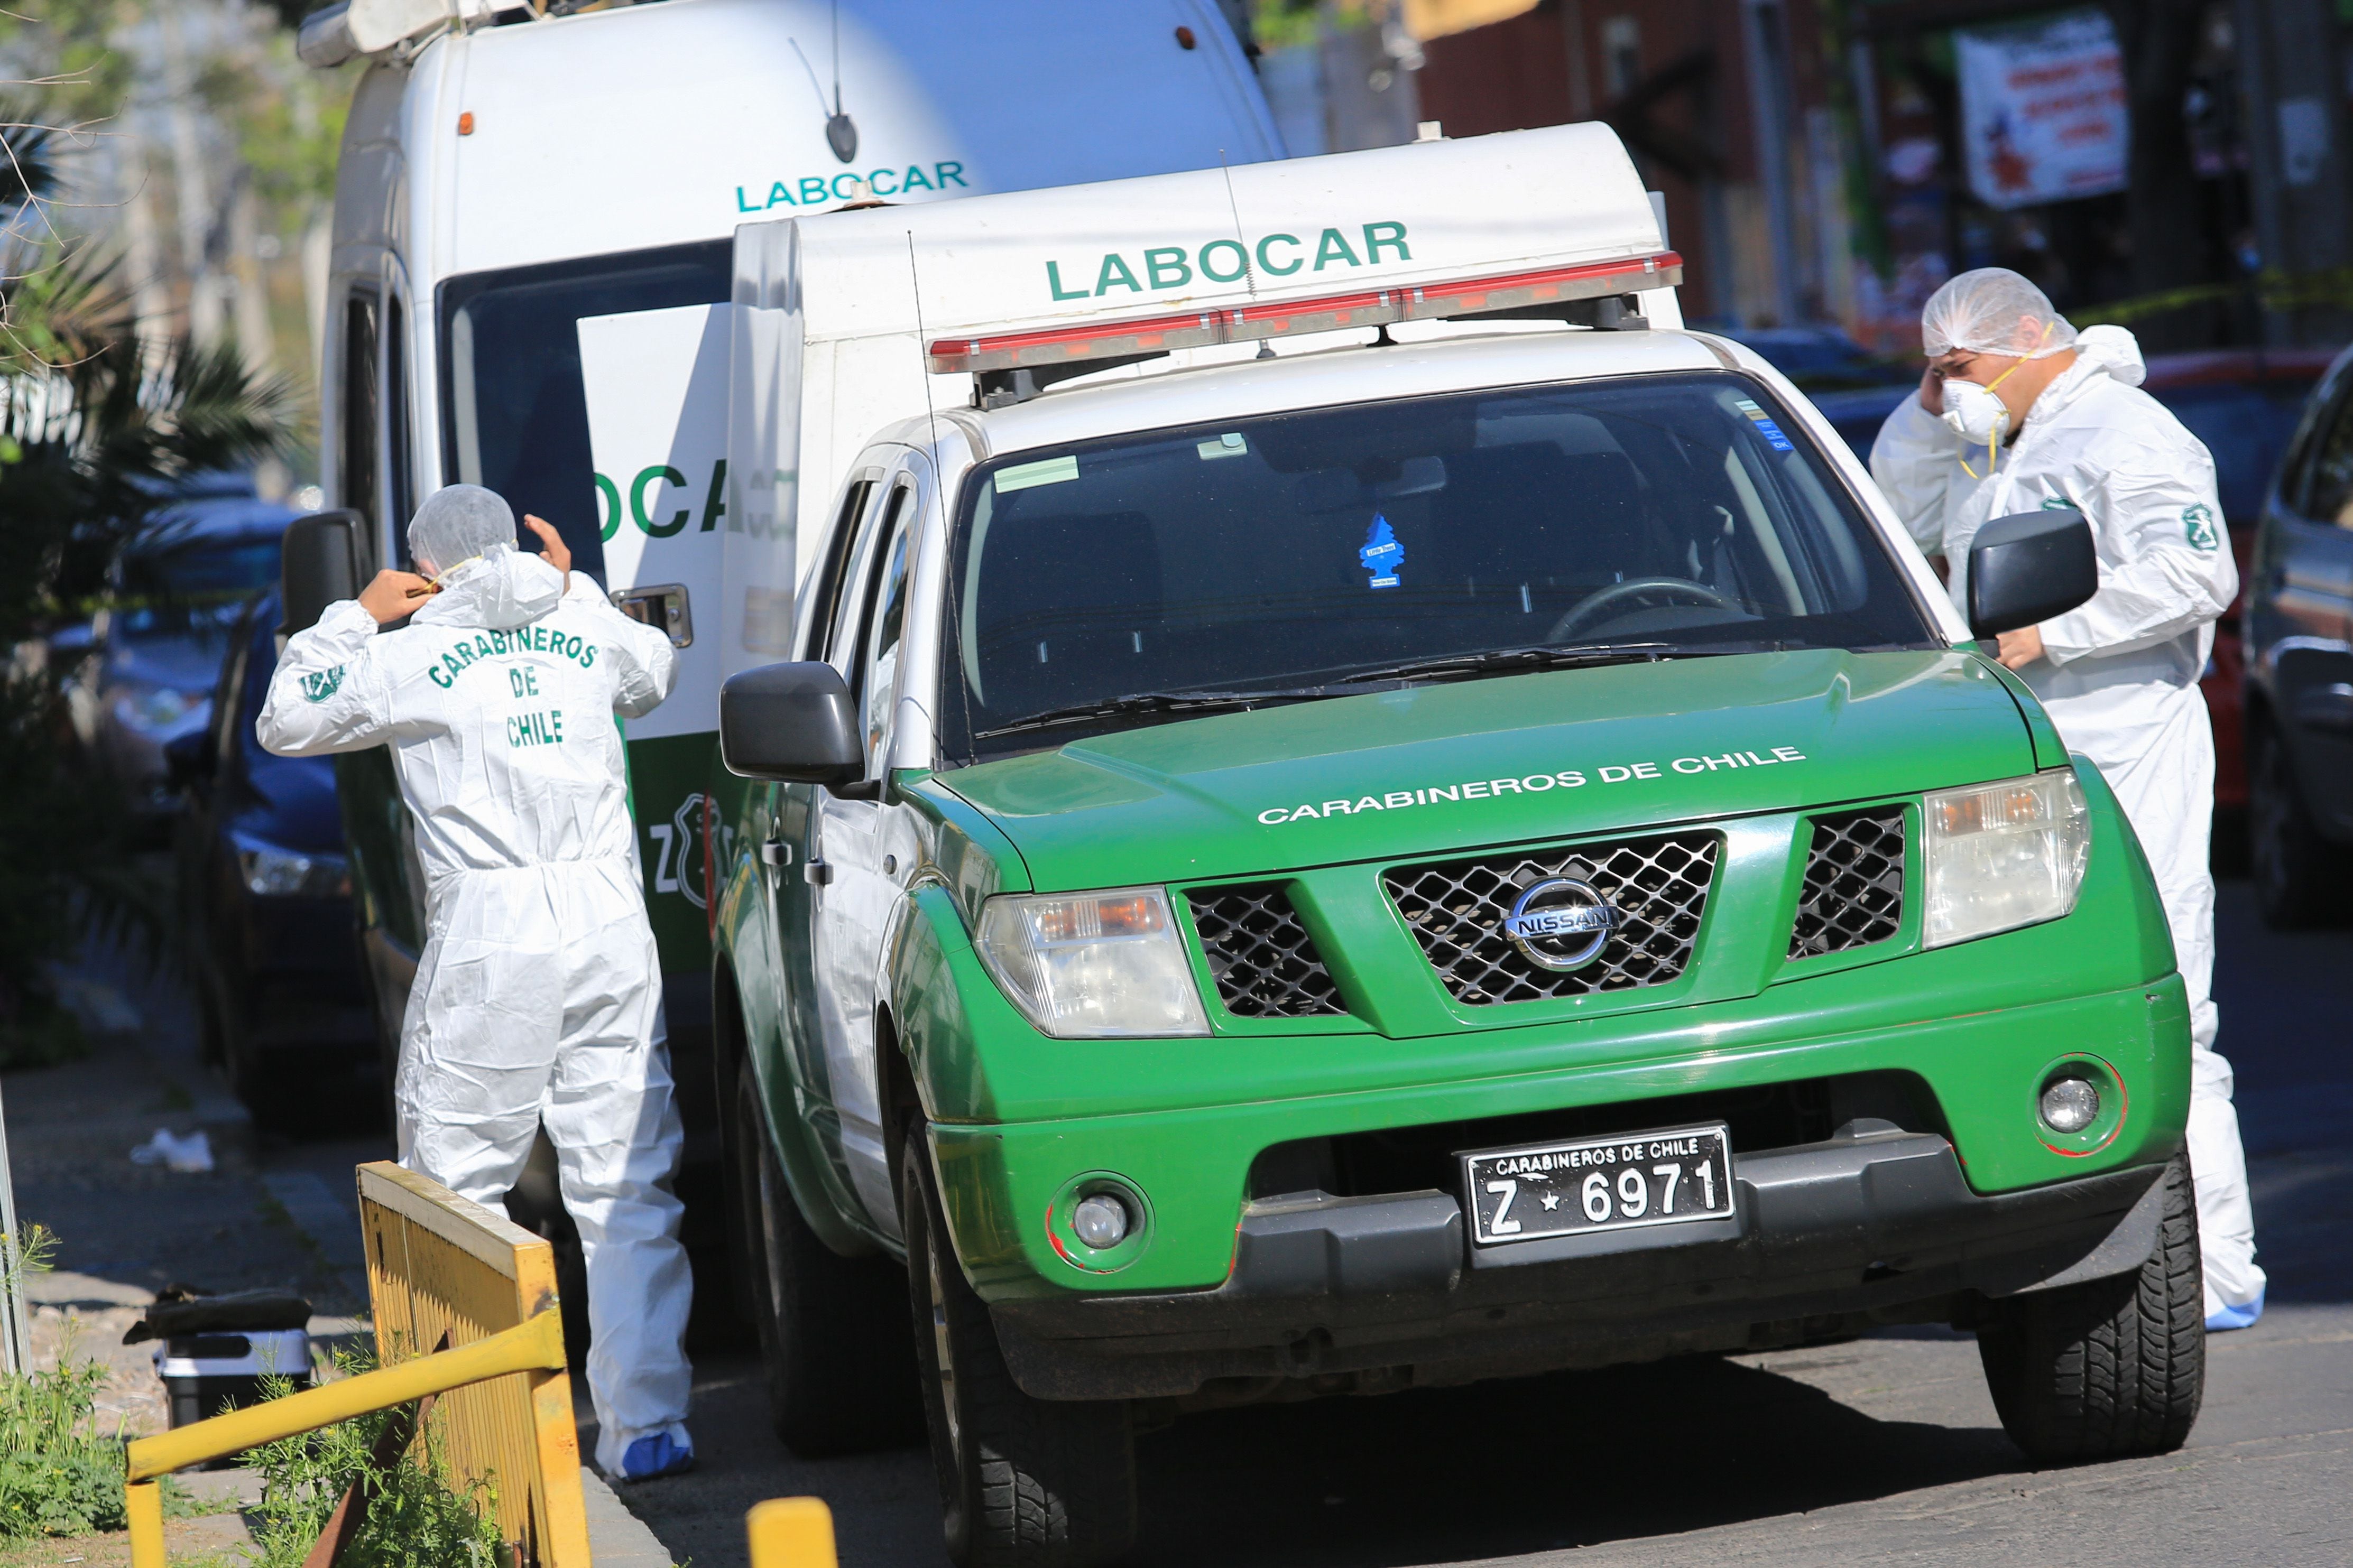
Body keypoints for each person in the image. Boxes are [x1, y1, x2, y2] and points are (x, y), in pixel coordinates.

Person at [257, 485, 702, 1472]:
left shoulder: (405, 655)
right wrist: (570, 587)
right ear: (516, 546)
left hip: (492, 933)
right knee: (625, 1182)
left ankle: (481, 1449)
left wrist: (353, 616)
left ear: (427, 568)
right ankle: (651, 1428)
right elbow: (656, 668)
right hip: (606, 923)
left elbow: (285, 720)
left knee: (456, 1188)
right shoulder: (584, 632)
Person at [1870, 268, 2264, 1330]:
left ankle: (2218, 1261)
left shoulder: (2125, 434)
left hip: (2128, 737)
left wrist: (2056, 632)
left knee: (2168, 993)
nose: (1951, 393)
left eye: (1962, 370)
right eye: (1934, 373)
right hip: (2024, 748)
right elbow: (1892, 511)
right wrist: (1926, 409)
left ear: (2031, 340)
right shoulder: (1989, 443)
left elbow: (2196, 574)